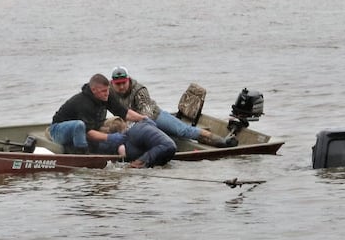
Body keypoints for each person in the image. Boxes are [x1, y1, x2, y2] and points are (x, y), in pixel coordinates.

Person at [108, 66, 236, 147]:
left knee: (183, 131)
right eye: (117, 84)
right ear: (112, 82)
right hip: (130, 122)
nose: (121, 86)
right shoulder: (107, 91)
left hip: (154, 116)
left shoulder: (139, 90)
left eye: (123, 83)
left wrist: (130, 127)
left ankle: (221, 140)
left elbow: (146, 114)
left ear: (128, 80)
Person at [50, 73, 146, 154]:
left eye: (108, 89)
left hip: (89, 128)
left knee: (117, 123)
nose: (107, 93)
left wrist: (143, 118)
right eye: (104, 91)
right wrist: (110, 137)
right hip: (58, 130)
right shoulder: (83, 103)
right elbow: (88, 133)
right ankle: (82, 155)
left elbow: (124, 113)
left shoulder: (106, 96)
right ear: (93, 90)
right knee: (79, 126)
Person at [102, 117, 177, 168]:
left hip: (163, 147)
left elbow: (124, 154)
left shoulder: (128, 137)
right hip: (170, 147)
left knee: (131, 167)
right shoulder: (141, 125)